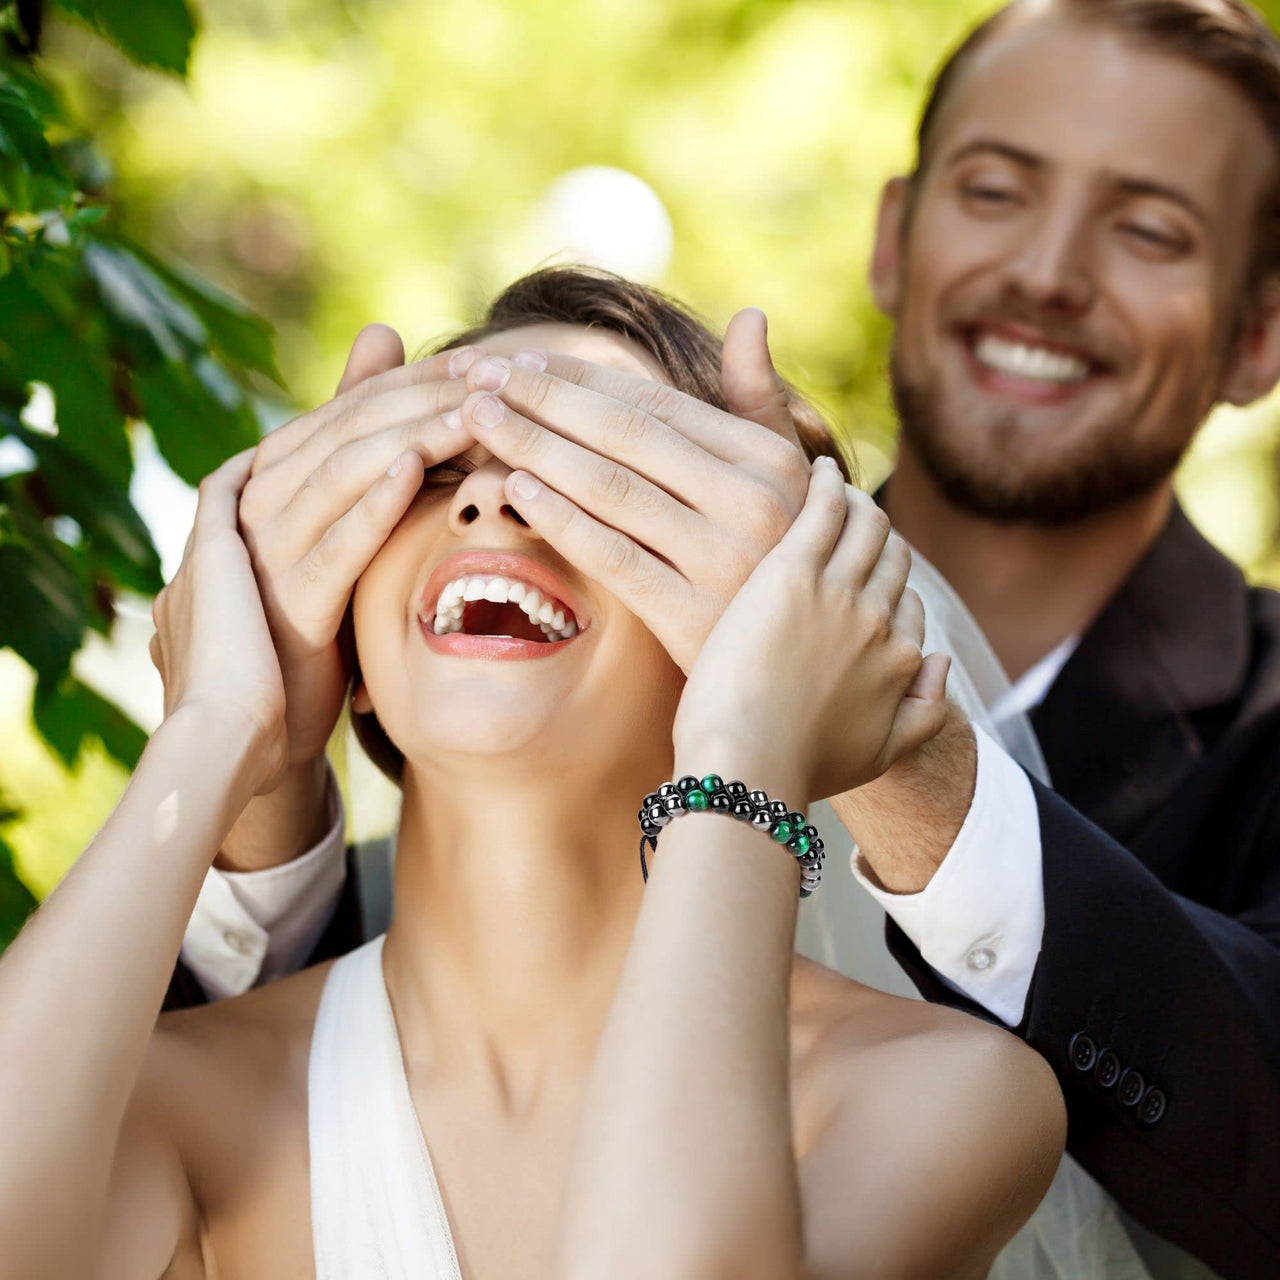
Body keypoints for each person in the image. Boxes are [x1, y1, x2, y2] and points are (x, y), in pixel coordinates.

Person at [174, 1, 1280, 1275]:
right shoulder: (555, 671)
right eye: (992, 190)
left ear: (1257, 332)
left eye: (1147, 228)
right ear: (891, 237)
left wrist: (900, 766)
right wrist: (261, 795)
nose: (1045, 270)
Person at [0, 273, 1066, 1279]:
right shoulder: (173, 1100)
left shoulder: (937, 1094)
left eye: (600, 479)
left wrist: (750, 742)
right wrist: (219, 718)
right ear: (348, 654)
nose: (493, 504)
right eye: (437, 472)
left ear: (755, 626)